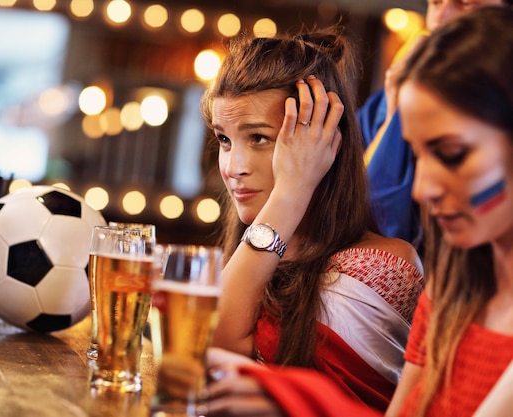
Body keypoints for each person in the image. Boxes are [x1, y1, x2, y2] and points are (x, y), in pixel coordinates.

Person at [204, 6, 513, 417]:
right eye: (416, 157)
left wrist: (302, 401)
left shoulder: (379, 265)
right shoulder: (450, 291)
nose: (420, 189)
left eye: (452, 154)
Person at [199, 25, 424, 412]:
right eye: (224, 139)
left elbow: (215, 351)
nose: (233, 166)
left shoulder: (379, 266)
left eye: (259, 138)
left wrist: (292, 190)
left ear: (322, 141)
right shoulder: (252, 259)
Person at [358, 0, 510, 249]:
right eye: (435, 3)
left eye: (466, 4)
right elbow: (352, 219)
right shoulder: (387, 103)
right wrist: (393, 113)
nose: (439, 20)